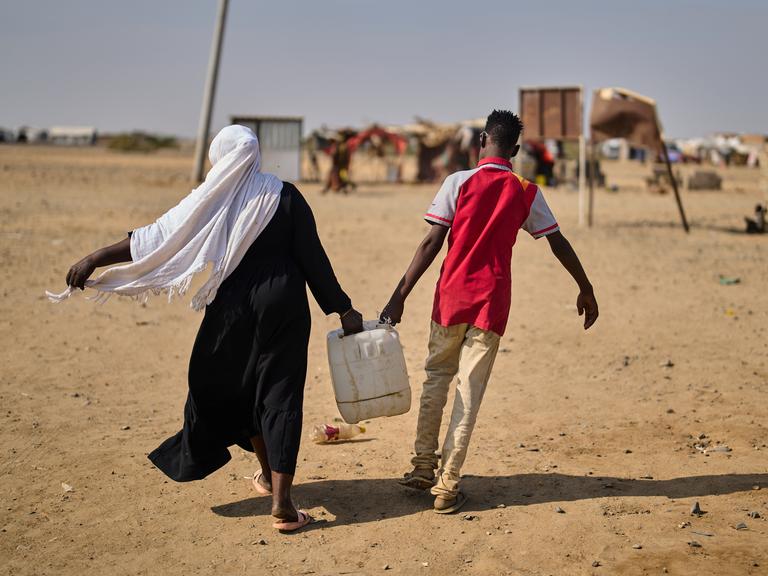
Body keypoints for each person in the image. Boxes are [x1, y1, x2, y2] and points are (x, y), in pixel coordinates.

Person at [50, 125, 364, 532]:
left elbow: (158, 236)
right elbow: (313, 260)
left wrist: (98, 256)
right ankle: (279, 495)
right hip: (285, 304)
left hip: (232, 305)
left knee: (233, 384)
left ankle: (273, 487)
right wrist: (343, 309)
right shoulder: (285, 195)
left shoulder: (211, 200)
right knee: (280, 393)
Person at [380, 110, 598, 514]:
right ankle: (447, 486)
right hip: (491, 305)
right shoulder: (526, 191)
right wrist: (585, 287)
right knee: (470, 390)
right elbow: (557, 241)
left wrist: (399, 296)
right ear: (515, 150)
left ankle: (422, 467)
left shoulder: (457, 182)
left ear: (482, 140)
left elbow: (431, 243)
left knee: (436, 380)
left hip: (449, 300)